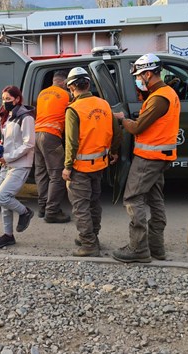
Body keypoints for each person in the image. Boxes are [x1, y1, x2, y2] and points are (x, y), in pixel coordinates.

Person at [112, 53, 180, 263]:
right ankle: (156, 247)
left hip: (149, 158)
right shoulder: (166, 93)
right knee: (154, 198)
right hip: (160, 157)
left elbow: (139, 127)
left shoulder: (159, 98)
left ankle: (138, 249)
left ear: (148, 74)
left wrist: (123, 120)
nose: (138, 81)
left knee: (133, 199)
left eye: (139, 76)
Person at [62, 67, 120, 256]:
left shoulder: (73, 109)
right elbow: (116, 132)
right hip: (100, 164)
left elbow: (71, 142)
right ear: (88, 84)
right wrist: (114, 152)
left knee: (81, 206)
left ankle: (88, 245)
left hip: (80, 167)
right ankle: (93, 236)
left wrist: (67, 167)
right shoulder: (104, 104)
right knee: (94, 203)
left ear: (71, 88)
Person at [0, 86, 36, 249]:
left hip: (20, 164)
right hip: (6, 163)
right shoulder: (7, 115)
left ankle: (25, 212)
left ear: (17, 99)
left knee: (1, 197)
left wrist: (8, 156)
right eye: (3, 99)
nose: (5, 102)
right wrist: (0, 146)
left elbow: (29, 143)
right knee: (4, 203)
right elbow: (8, 138)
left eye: (8, 99)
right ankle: (8, 235)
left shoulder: (26, 117)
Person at [34, 70, 71, 222]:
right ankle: (52, 212)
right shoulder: (66, 95)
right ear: (64, 82)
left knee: (41, 173)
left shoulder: (42, 93)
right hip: (51, 136)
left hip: (37, 134)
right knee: (57, 175)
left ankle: (42, 207)